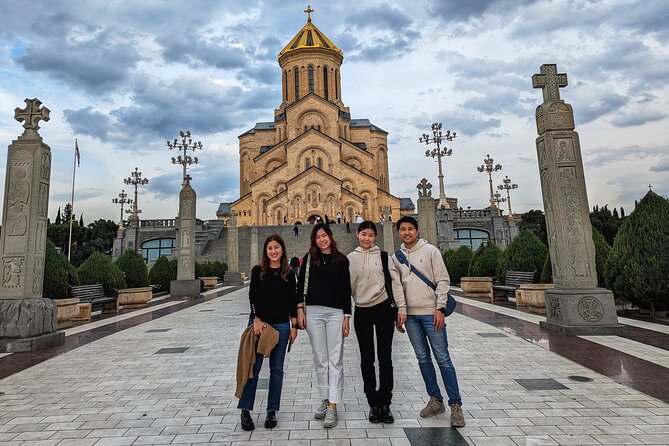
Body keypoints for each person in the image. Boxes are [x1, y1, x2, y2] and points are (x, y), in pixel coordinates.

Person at [392, 216, 465, 428]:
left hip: (432, 313)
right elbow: (397, 287)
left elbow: (443, 279)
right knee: (423, 358)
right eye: (403, 229)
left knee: (443, 358)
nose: (407, 233)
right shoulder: (397, 257)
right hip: (411, 317)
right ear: (399, 232)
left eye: (410, 229)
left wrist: (440, 308)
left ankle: (456, 405)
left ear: (417, 231)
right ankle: (435, 400)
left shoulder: (431, 251)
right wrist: (400, 312)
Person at [237, 234, 300, 431]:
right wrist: (256, 318)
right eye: (270, 248)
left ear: (282, 249)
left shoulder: (289, 274)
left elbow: (292, 300)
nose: (273, 251)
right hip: (260, 325)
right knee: (253, 367)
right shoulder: (258, 271)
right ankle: (245, 409)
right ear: (266, 251)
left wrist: (294, 326)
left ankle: (272, 410)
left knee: (277, 369)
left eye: (277, 247)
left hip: (281, 325)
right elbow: (252, 296)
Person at [348, 220, 406, 424]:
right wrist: (345, 316)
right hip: (362, 311)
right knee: (366, 358)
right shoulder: (350, 259)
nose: (367, 238)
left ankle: (385, 402)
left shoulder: (383, 257)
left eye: (371, 235)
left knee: (385, 357)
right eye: (364, 234)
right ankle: (373, 402)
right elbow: (344, 289)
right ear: (357, 235)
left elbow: (395, 283)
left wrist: (402, 309)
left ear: (375, 237)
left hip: (383, 309)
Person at [296, 223, 351, 428]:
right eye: (318, 237)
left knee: (335, 359)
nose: (322, 239)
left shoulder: (341, 260)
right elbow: (300, 285)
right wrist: (299, 310)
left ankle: (334, 406)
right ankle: (325, 400)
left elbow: (346, 290)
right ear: (314, 239)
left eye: (324, 235)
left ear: (330, 236)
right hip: (314, 313)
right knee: (320, 359)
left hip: (336, 313)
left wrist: (347, 316)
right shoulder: (309, 259)